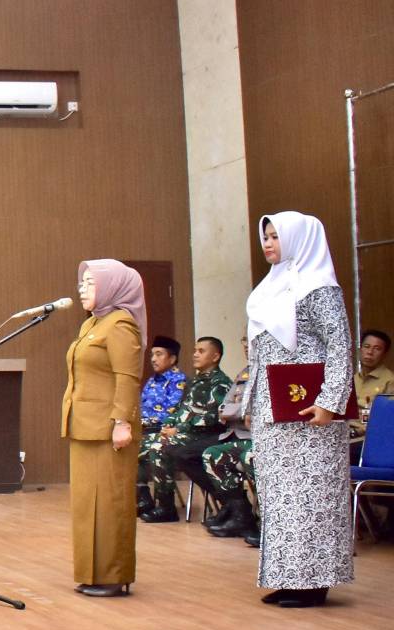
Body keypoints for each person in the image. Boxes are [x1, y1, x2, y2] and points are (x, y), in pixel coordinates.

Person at [246, 212, 355, 609]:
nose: (268, 243)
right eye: (266, 236)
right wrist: (251, 402)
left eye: (276, 236)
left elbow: (340, 346)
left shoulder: (319, 287)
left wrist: (329, 402)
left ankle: (314, 582)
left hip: (311, 413)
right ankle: (289, 577)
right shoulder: (270, 289)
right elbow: (259, 356)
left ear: (298, 239)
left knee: (311, 496)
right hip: (274, 412)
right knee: (280, 498)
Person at [61, 260, 145, 598]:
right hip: (83, 425)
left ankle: (113, 575)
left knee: (111, 503)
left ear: (112, 287)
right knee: (86, 505)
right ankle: (91, 573)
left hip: (109, 428)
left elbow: (128, 378)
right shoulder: (91, 323)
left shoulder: (121, 324)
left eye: (90, 282)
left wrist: (122, 421)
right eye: (81, 282)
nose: (82, 289)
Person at [137, 337, 231, 523]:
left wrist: (179, 428)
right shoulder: (195, 382)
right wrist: (168, 424)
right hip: (185, 434)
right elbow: (180, 409)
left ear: (215, 356)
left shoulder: (220, 383)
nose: (195, 354)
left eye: (201, 351)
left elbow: (215, 417)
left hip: (203, 436)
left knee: (159, 447)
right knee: (137, 445)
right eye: (195, 350)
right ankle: (143, 499)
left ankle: (166, 507)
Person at [201, 337, 259, 543]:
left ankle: (270, 522)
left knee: (249, 457)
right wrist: (241, 412)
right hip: (237, 435)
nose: (246, 346)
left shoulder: (271, 371)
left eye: (250, 340)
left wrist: (238, 412)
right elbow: (223, 407)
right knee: (212, 455)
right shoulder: (245, 372)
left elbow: (257, 410)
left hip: (259, 439)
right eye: (244, 341)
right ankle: (241, 516)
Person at [352, 329, 393, 438]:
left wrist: (358, 432)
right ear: (360, 349)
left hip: (370, 437)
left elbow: (387, 419)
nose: (370, 352)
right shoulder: (353, 379)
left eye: (377, 348)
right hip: (345, 433)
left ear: (384, 354)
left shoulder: (390, 381)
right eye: (366, 346)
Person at [139, 337, 185, 434]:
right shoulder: (152, 380)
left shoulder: (179, 381)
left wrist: (142, 422)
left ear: (172, 359)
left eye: (158, 354)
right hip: (141, 427)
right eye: (152, 355)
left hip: (160, 431)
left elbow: (170, 414)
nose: (153, 359)